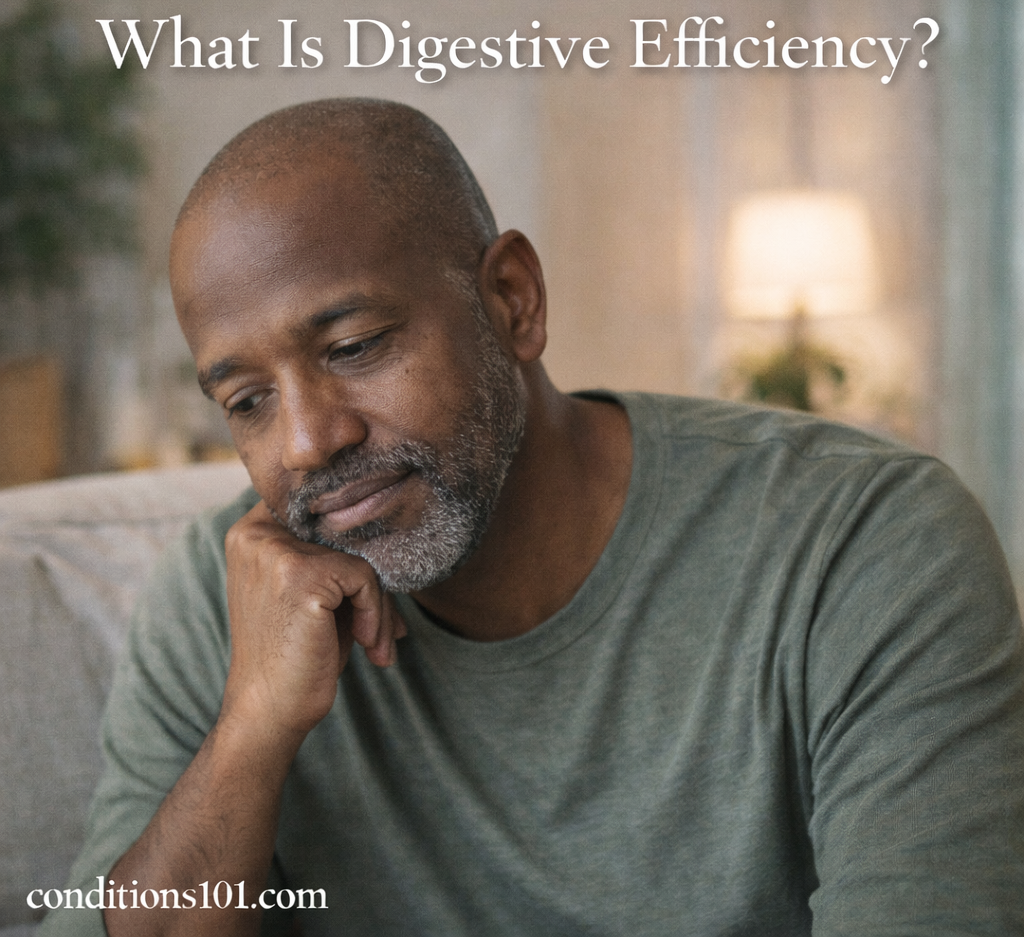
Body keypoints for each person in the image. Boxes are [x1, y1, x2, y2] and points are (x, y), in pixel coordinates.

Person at [44, 98, 1024, 937]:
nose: (305, 442)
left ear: (512, 299)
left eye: (351, 346)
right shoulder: (221, 606)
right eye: (247, 400)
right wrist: (253, 730)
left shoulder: (859, 543)